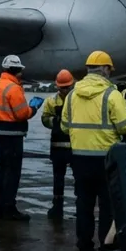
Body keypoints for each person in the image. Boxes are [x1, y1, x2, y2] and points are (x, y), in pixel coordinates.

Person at [61, 50, 126, 251]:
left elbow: (64, 125)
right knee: (108, 208)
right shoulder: (111, 95)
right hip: (106, 159)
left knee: (83, 206)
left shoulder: (72, 95)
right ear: (105, 69)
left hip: (80, 160)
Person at [0, 55, 40, 221]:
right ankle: (9, 209)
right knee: (13, 173)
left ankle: (0, 208)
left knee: (2, 170)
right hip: (13, 134)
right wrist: (34, 108)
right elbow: (22, 114)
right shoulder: (13, 88)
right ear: (17, 70)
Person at [41, 69, 75, 222]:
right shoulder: (51, 101)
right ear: (57, 87)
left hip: (75, 146)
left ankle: (80, 204)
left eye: (68, 87)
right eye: (63, 88)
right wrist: (55, 122)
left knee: (79, 178)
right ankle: (57, 206)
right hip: (58, 145)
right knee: (58, 178)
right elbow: (44, 119)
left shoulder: (76, 99)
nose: (65, 90)